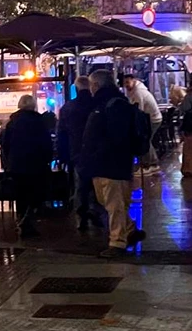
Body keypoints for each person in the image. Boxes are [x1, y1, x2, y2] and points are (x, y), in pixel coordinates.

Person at [81, 70, 147, 258]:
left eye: (92, 85)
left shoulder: (113, 105)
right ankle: (130, 229)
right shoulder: (108, 103)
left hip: (111, 163)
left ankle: (117, 242)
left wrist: (98, 152)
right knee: (107, 200)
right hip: (104, 163)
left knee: (114, 203)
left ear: (96, 85)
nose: (91, 89)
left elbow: (115, 137)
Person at [1, 95, 53, 237]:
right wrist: (48, 158)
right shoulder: (39, 121)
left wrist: (8, 163)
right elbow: (46, 142)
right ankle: (27, 221)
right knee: (34, 193)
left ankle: (22, 219)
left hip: (17, 165)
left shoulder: (12, 122)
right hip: (36, 164)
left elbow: (5, 144)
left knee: (21, 194)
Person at [58, 76, 104, 230]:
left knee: (80, 186)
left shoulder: (68, 108)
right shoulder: (98, 105)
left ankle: (81, 216)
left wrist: (62, 155)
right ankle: (96, 211)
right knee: (97, 184)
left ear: (76, 89)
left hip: (77, 152)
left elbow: (62, 133)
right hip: (98, 151)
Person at [123, 73, 162, 175]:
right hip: (152, 118)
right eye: (124, 83)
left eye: (127, 82)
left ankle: (151, 165)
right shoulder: (135, 91)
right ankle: (150, 164)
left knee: (145, 141)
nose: (126, 85)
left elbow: (138, 110)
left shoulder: (138, 92)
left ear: (133, 80)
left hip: (152, 119)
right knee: (146, 141)